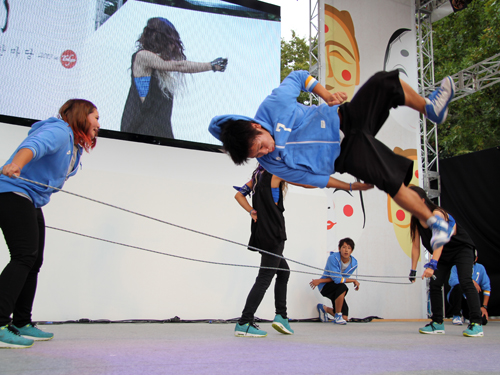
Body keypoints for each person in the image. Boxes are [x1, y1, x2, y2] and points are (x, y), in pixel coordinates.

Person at [209, 70, 456, 252]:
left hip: (345, 118)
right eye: (258, 155)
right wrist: (349, 186)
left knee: (384, 82)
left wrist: (326, 95)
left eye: (261, 145)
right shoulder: (271, 163)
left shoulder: (273, 105)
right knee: (391, 181)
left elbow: (299, 77)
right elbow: (310, 178)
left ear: (256, 126)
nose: (265, 152)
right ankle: (434, 222)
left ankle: (430, 107)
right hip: (346, 154)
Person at [0, 99, 100, 348]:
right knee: (24, 256)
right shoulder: (58, 131)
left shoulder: (73, 144)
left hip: (31, 199)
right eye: (95, 118)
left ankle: (22, 322)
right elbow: (33, 146)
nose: (99, 124)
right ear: (80, 116)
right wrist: (16, 164)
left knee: (33, 261)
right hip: (13, 192)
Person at [121, 17, 227, 139]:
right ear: (159, 39)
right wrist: (211, 66)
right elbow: (179, 65)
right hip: (140, 131)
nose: (173, 46)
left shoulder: (160, 66)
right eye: (170, 41)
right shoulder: (142, 56)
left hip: (159, 131)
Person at [409, 186, 484, 337]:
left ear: (422, 200)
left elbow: (439, 241)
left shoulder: (437, 214)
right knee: (435, 285)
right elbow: (416, 247)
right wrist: (413, 270)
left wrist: (432, 265)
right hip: (443, 254)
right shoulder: (416, 220)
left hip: (460, 249)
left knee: (465, 281)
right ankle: (437, 323)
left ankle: (476, 324)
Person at [233, 164, 293, 337]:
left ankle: (281, 316)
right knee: (264, 278)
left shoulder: (257, 177)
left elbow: (239, 195)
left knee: (283, 272)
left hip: (262, 232)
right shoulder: (275, 175)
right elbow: (304, 182)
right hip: (273, 234)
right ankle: (244, 322)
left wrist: (251, 210)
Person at [309, 238, 360, 325]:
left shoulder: (354, 264)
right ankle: (338, 316)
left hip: (336, 286)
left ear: (351, 251)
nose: (346, 250)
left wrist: (320, 280)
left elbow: (341, 279)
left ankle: (325, 309)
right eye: (344, 247)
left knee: (345, 318)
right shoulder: (332, 258)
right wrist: (353, 280)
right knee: (342, 287)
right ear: (339, 249)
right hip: (325, 286)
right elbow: (337, 279)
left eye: (349, 248)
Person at [447, 249, 491, 326]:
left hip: (469, 299)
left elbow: (486, 287)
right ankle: (456, 315)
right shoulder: (456, 267)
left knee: (482, 321)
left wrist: (484, 306)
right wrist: (471, 281)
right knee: (459, 286)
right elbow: (452, 282)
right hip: (456, 297)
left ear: (476, 258)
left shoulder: (480, 268)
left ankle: (467, 315)